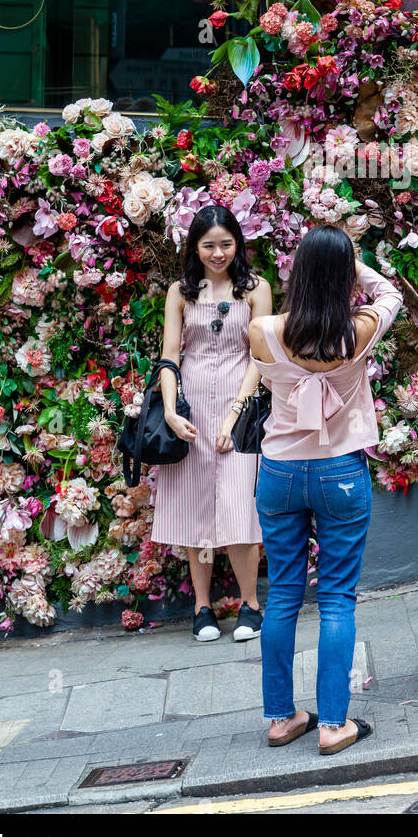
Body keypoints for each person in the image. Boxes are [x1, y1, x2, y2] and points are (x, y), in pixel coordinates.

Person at [248, 226, 403, 755]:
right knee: (336, 597)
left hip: (280, 473)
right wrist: (355, 264)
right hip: (339, 471)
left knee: (285, 594)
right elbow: (392, 295)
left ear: (296, 271)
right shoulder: (356, 331)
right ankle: (334, 724)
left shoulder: (263, 330)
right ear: (341, 277)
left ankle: (281, 717)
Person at [154, 204, 272, 642]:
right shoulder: (180, 292)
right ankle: (202, 608)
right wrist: (170, 410)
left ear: (238, 243)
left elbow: (261, 355)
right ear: (195, 247)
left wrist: (237, 413)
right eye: (209, 245)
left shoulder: (255, 289)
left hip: (240, 406)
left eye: (226, 244)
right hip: (193, 408)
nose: (218, 253)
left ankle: (251, 604)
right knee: (195, 504)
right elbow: (169, 355)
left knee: (241, 504)